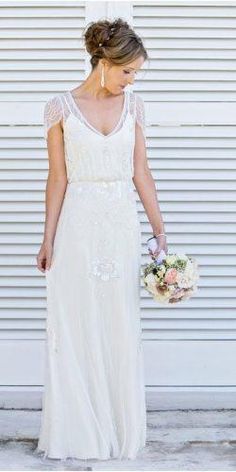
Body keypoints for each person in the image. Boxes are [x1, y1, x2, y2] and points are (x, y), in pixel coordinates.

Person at [36, 17, 167, 461]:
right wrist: (47, 238)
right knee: (77, 320)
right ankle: (80, 431)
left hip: (120, 225)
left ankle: (117, 427)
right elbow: (57, 178)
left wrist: (159, 230)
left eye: (136, 73)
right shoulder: (60, 107)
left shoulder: (134, 107)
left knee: (118, 321)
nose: (132, 80)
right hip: (77, 225)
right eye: (127, 71)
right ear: (104, 63)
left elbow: (141, 171)